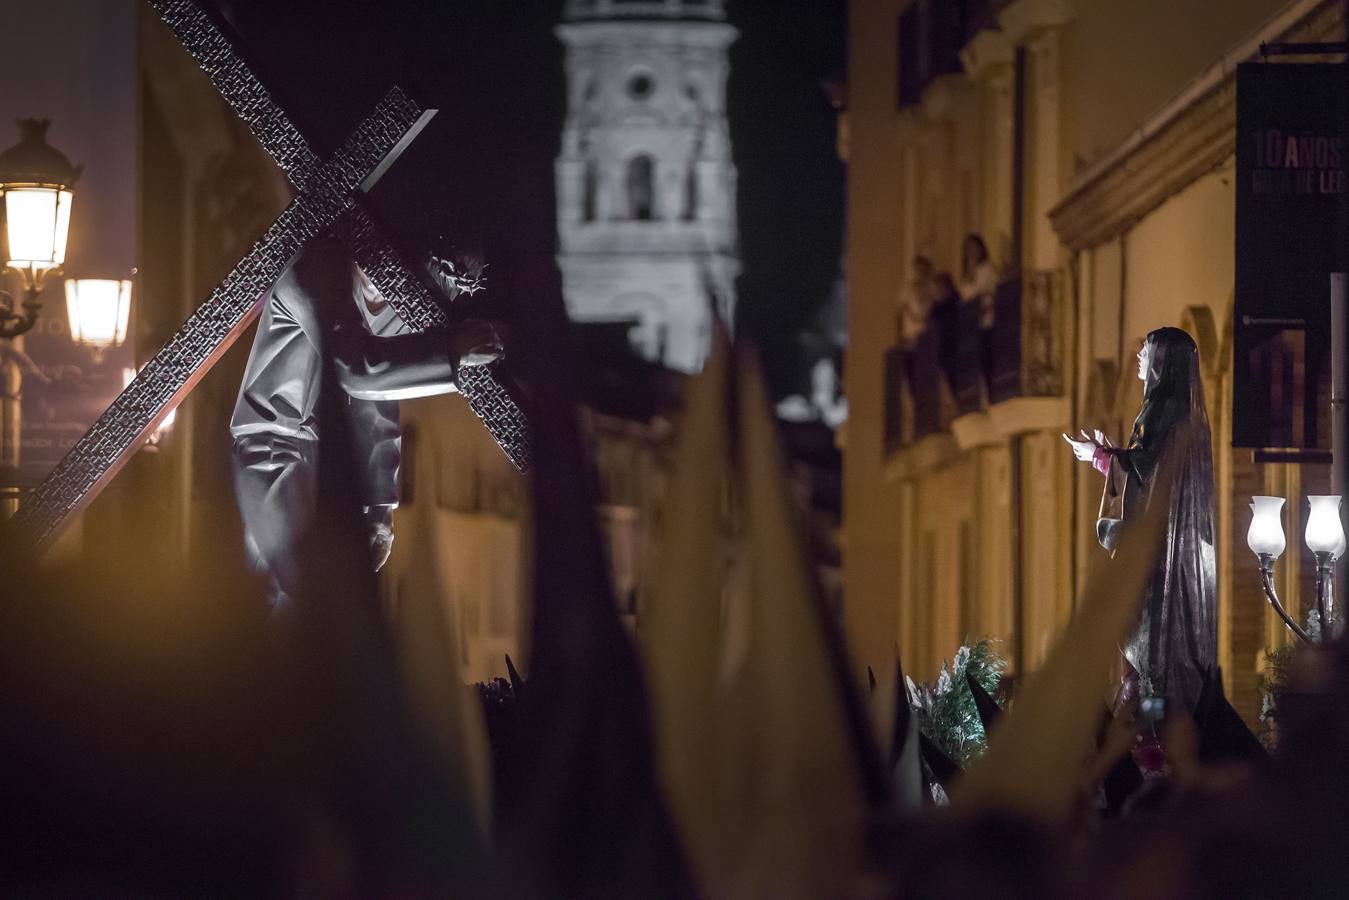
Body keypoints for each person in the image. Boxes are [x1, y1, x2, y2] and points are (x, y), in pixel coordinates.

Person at [229, 236, 501, 608]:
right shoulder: (308, 277)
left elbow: (376, 396)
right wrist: (450, 355)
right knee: (310, 594)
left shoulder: (374, 304)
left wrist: (379, 504)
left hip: (319, 460)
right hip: (273, 451)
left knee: (314, 601)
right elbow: (356, 372)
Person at [1063, 327, 1217, 710]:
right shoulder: (1182, 415)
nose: (1139, 356)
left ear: (1162, 362)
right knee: (1154, 647)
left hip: (1157, 553)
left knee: (1145, 643)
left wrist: (1100, 457)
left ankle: (1149, 729)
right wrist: (1111, 454)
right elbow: (1147, 469)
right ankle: (1156, 719)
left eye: (1146, 350)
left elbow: (1142, 473)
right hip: (1177, 552)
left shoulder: (1162, 410)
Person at [897, 255, 937, 347]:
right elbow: (899, 313)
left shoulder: (932, 289)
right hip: (909, 335)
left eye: (923, 270)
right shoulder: (906, 289)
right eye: (918, 269)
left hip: (927, 336)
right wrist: (899, 336)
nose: (921, 273)